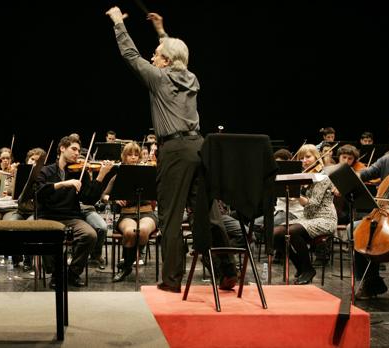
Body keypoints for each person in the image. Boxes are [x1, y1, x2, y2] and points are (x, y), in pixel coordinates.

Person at [106, 8, 237, 292]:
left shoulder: (160, 78)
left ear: (165, 61)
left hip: (175, 150)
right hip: (199, 147)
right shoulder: (191, 79)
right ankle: (229, 271)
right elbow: (178, 57)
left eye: (156, 54)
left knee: (171, 216)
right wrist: (162, 32)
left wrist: (118, 23)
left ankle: (172, 280)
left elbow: (130, 56)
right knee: (210, 215)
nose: (152, 58)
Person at [35, 134, 113, 287]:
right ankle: (56, 274)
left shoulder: (79, 172)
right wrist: (63, 184)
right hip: (48, 216)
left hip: (71, 216)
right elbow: (39, 193)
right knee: (45, 235)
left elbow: (88, 199)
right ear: (62, 149)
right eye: (74, 149)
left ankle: (72, 273)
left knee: (90, 235)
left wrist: (101, 176)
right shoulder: (46, 171)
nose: (77, 153)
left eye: (78, 150)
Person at [272, 144, 337, 285]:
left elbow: (313, 204)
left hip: (324, 218)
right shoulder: (306, 176)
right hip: (307, 218)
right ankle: (300, 266)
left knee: (291, 231)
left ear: (317, 157)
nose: (304, 161)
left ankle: (308, 269)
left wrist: (296, 194)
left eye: (308, 157)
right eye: (301, 158)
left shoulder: (323, 178)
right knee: (276, 234)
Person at [102, 142, 158, 282]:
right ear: (124, 157)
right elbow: (104, 196)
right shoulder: (119, 175)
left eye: (136, 154)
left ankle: (126, 264)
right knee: (129, 232)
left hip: (146, 212)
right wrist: (114, 199)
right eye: (129, 155)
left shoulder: (148, 173)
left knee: (143, 230)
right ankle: (128, 264)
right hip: (126, 213)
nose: (133, 157)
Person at [354, 152, 389, 299]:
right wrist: (352, 177)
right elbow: (364, 173)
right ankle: (371, 281)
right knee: (356, 230)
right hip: (384, 212)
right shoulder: (387, 159)